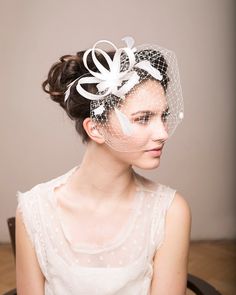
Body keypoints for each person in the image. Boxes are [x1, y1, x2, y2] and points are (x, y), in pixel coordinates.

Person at [15, 37, 191, 295]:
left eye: (163, 116)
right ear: (95, 128)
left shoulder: (170, 212)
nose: (163, 133)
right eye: (143, 118)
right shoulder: (34, 210)